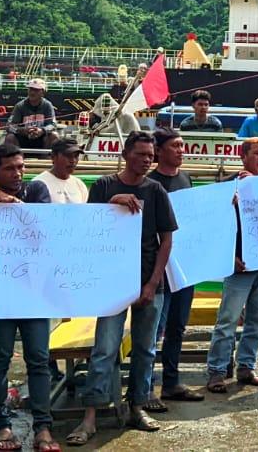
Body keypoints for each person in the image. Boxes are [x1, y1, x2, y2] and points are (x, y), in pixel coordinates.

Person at [71, 131, 177, 444]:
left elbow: (166, 239)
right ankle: (90, 415)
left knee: (145, 348)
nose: (146, 160)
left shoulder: (155, 190)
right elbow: (87, 228)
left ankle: (138, 406)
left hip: (148, 282)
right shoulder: (103, 186)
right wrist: (111, 204)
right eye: (141, 154)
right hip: (111, 283)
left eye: (150, 156)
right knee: (104, 348)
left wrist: (153, 283)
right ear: (125, 154)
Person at [0, 143, 57, 452]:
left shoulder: (36, 191)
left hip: (34, 293)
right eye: (10, 168)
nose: (17, 173)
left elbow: (46, 226)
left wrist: (11, 204)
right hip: (2, 294)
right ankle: (1, 424)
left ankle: (43, 427)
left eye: (21, 166)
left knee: (38, 359)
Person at [205, 138, 258, 394]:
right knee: (227, 320)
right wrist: (230, 256)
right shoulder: (228, 186)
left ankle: (246, 367)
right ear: (243, 157)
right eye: (257, 153)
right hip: (240, 266)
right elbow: (216, 226)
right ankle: (217, 371)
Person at [147, 128, 202, 408]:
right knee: (153, 329)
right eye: (175, 146)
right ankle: (145, 388)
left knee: (177, 326)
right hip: (158, 267)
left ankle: (171, 382)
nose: (181, 150)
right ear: (159, 151)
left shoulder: (185, 178)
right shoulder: (150, 182)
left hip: (184, 265)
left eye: (182, 145)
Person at [6, 79, 60, 150]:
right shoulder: (19, 106)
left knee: (54, 135)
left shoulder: (47, 105)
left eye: (36, 90)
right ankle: (15, 156)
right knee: (10, 137)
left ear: (43, 92)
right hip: (23, 139)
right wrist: (22, 130)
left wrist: (42, 130)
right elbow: (9, 126)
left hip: (42, 139)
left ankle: (47, 156)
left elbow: (53, 125)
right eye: (30, 89)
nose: (32, 92)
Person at [34, 137, 88, 204]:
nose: (73, 160)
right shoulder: (39, 184)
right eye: (68, 156)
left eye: (76, 156)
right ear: (53, 157)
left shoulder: (79, 185)